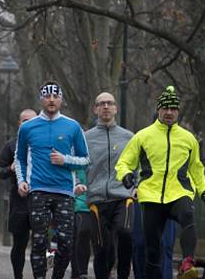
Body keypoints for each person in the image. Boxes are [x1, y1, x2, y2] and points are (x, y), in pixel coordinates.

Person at [115, 86, 205, 279]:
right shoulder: (143, 136)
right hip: (151, 196)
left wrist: (204, 192)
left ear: (178, 111)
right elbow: (124, 162)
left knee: (187, 214)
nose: (169, 112)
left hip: (179, 191)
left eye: (173, 109)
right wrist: (126, 175)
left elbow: (196, 168)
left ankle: (187, 263)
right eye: (165, 108)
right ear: (158, 110)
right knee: (152, 249)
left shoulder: (188, 139)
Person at [14, 81, 90, 279]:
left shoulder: (72, 126)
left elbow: (85, 160)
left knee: (65, 242)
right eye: (47, 96)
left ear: (61, 99)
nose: (51, 100)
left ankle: (56, 275)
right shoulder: (27, 127)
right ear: (41, 99)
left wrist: (65, 160)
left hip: (65, 192)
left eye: (55, 96)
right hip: (37, 190)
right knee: (39, 241)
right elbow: (19, 158)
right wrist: (21, 181)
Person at [84, 92, 134, 279]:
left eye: (110, 103)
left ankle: (123, 275)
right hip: (96, 199)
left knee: (125, 233)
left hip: (123, 196)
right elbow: (78, 165)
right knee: (102, 248)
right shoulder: (85, 138)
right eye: (101, 103)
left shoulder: (129, 137)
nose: (106, 106)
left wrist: (135, 185)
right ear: (95, 109)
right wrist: (81, 184)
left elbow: (137, 163)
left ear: (116, 108)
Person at [0, 109, 37, 279]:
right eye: (24, 120)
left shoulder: (46, 143)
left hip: (43, 200)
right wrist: (9, 169)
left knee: (41, 243)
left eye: (32, 120)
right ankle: (18, 276)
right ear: (19, 123)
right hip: (19, 201)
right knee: (19, 244)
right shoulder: (12, 145)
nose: (28, 124)